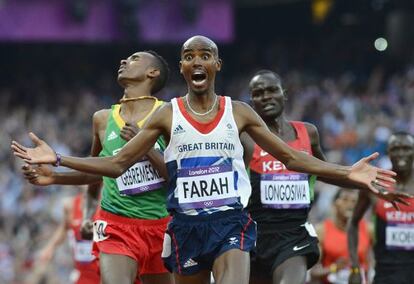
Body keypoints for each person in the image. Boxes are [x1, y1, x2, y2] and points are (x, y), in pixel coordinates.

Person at [12, 35, 404, 284]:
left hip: (231, 221)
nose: (197, 61)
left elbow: (293, 159)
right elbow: (117, 165)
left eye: (206, 55)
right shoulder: (167, 114)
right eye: (188, 56)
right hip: (184, 226)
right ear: (182, 68)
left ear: (216, 65)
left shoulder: (239, 112)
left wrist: (347, 173)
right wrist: (60, 159)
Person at [19, 50, 173, 284]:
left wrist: (145, 146)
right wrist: (54, 177)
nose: (123, 61)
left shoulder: (168, 113)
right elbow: (96, 171)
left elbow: (175, 176)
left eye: (134, 59)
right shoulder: (102, 119)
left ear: (153, 72)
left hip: (160, 226)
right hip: (116, 225)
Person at [244, 70, 380, 284]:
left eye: (272, 90)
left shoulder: (308, 133)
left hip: (293, 235)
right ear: (251, 100)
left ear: (284, 93)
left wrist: (359, 179)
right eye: (258, 93)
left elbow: (325, 172)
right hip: (254, 235)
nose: (266, 96)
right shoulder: (246, 139)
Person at [348, 132, 414, 284]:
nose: (401, 153)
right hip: (386, 273)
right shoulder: (375, 184)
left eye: (406, 148)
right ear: (388, 152)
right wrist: (355, 267)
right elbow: (353, 223)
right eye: (395, 149)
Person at [32, 193, 100, 284]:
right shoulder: (70, 205)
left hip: (101, 274)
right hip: (82, 274)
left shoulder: (106, 205)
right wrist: (50, 247)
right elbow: (64, 227)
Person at [310, 189, 371, 284]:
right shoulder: (322, 230)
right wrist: (334, 268)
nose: (350, 204)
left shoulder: (367, 229)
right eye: (345, 199)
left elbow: (372, 265)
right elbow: (313, 272)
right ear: (335, 204)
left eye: (354, 201)